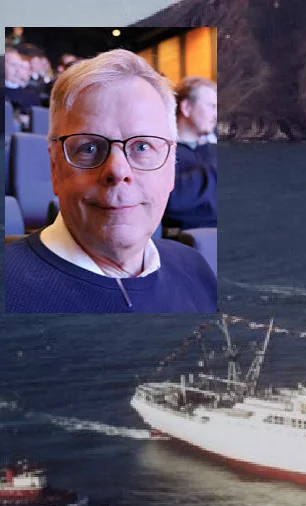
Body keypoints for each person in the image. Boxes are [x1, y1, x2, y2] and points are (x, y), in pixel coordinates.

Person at [4, 48, 217, 313]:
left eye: (142, 147)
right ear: (55, 169)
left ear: (171, 169)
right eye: (89, 148)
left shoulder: (196, 269)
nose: (117, 170)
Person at [163, 76, 217, 231]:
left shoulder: (213, 150)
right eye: (211, 106)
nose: (215, 116)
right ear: (186, 108)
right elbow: (171, 201)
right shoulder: (164, 152)